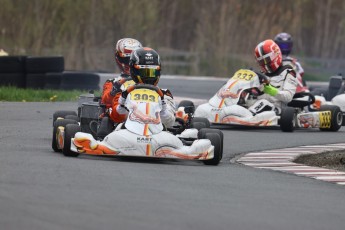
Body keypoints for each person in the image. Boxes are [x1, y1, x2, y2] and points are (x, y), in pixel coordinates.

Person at [115, 47, 175, 128]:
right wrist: (123, 104)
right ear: (133, 71)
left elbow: (169, 122)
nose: (148, 77)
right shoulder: (125, 91)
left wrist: (163, 107)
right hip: (129, 131)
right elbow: (117, 115)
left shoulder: (165, 94)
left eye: (152, 73)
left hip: (157, 133)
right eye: (144, 73)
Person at [249, 39, 298, 115]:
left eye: (266, 60)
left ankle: (248, 115)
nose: (263, 64)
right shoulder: (261, 75)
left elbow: (288, 97)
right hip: (258, 106)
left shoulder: (288, 72)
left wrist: (271, 90)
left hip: (277, 111)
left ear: (275, 55)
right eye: (261, 61)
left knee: (263, 103)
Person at [101, 38, 143, 112]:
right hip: (120, 117)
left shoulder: (146, 81)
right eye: (127, 59)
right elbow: (105, 101)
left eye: (134, 60)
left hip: (145, 113)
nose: (130, 64)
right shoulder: (113, 82)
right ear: (119, 58)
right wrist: (113, 92)